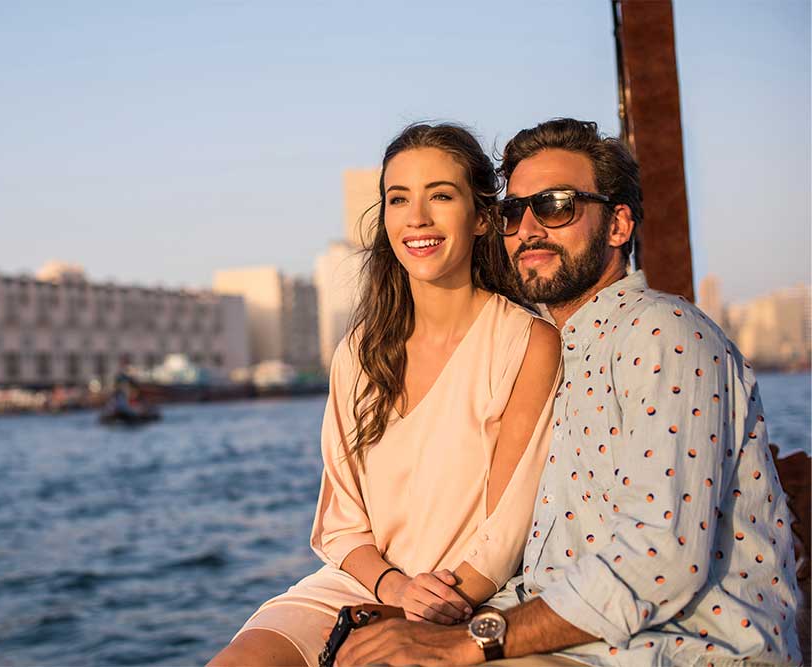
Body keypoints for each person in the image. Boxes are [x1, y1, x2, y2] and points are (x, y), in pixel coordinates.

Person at [336, 118, 802, 666]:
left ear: (618, 225)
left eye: (557, 206)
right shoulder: (552, 350)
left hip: (684, 650)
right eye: (516, 211)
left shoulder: (664, 333)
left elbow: (660, 559)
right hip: (576, 645)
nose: (531, 227)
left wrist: (467, 642)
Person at [208, 123, 562, 667]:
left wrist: (430, 609)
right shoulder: (358, 352)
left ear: (483, 217)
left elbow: (505, 531)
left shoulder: (526, 343)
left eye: (440, 196)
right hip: (361, 587)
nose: (416, 217)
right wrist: (392, 587)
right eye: (399, 199)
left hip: (464, 597)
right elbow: (342, 522)